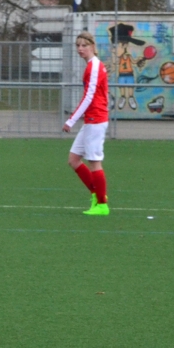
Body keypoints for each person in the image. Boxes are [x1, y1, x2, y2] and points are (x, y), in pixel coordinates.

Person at [63, 31, 110, 216]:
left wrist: (71, 120)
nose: (80, 49)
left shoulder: (94, 66)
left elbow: (89, 97)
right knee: (73, 159)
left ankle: (102, 204)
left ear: (92, 46)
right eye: (78, 45)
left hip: (96, 120)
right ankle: (97, 195)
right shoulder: (91, 66)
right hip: (91, 119)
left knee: (94, 162)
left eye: (84, 45)